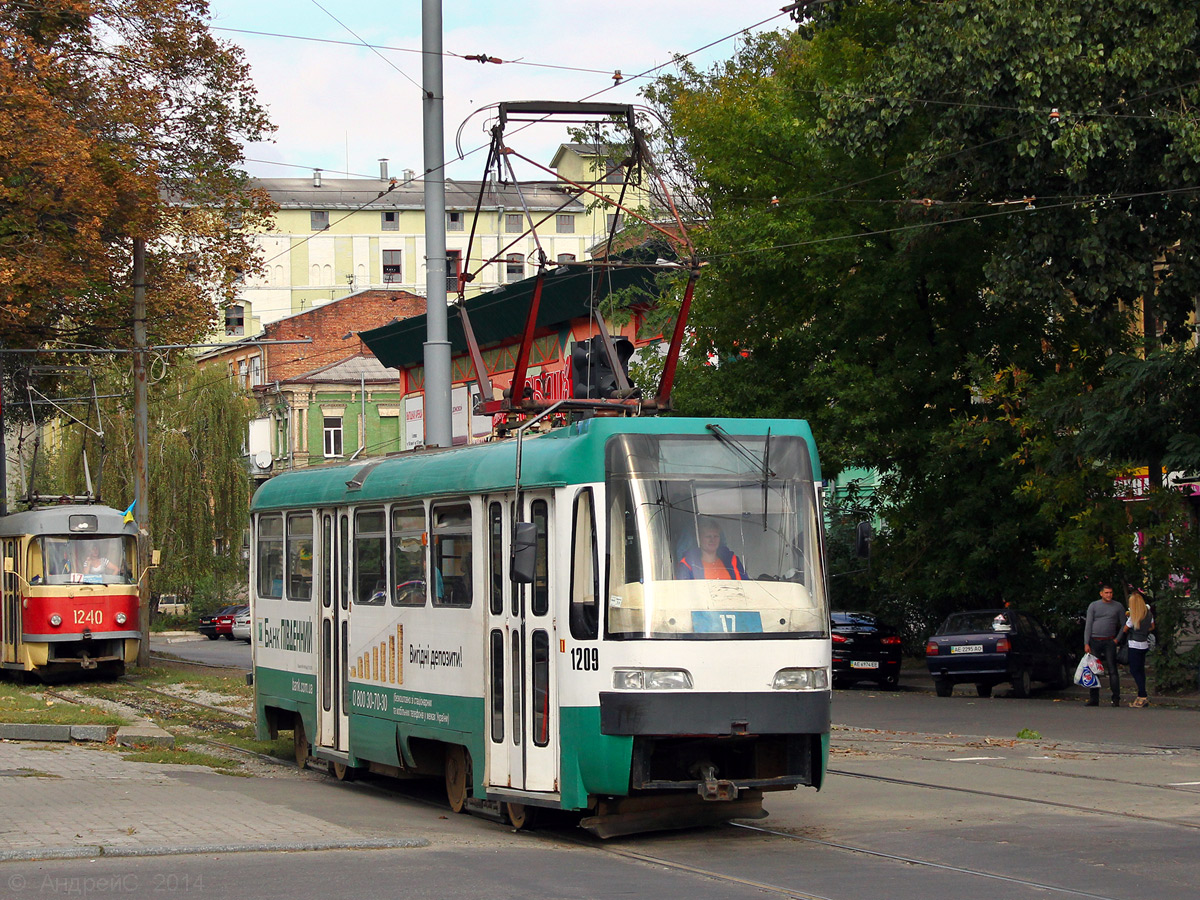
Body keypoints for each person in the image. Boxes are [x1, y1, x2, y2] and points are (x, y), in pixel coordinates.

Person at [1084, 583, 1124, 707]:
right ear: (1101, 593)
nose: (1109, 595)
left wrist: (1117, 640)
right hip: (1095, 640)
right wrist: (1086, 642)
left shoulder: (1118, 606)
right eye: (1106, 593)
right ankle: (1094, 698)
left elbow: (1124, 624)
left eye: (1110, 593)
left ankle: (1116, 698)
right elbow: (1088, 624)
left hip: (1109, 641)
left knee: (1112, 670)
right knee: (1094, 670)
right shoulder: (1094, 605)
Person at [676, 518, 747, 581]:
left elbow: (745, 585)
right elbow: (682, 589)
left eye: (716, 536)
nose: (712, 540)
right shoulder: (687, 563)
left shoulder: (732, 561)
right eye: (708, 536)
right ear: (699, 539)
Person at [1118, 591, 1155, 708]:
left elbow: (1125, 629)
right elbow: (1152, 626)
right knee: (1141, 670)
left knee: (1134, 671)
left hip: (1134, 644)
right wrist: (1144, 631)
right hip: (1144, 644)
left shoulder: (1133, 616)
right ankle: (1141, 695)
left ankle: (1142, 695)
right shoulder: (1148, 613)